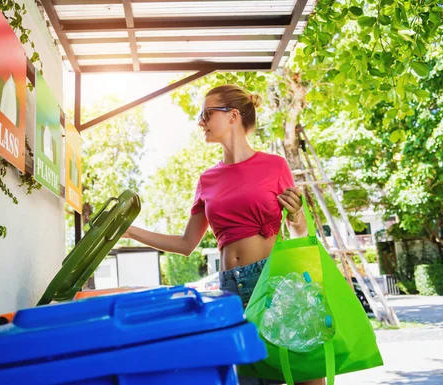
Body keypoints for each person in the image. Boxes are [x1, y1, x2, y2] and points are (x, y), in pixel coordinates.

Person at [123, 84, 324, 385]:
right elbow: (186, 244)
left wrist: (296, 216)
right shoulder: (207, 179)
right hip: (230, 290)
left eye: (206, 114)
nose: (200, 122)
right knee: (243, 378)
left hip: (271, 284)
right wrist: (127, 231)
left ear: (232, 116)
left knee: (302, 373)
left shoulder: (275, 166)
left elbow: (297, 233)